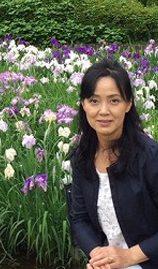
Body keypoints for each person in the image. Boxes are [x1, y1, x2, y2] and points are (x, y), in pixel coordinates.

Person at [70, 59, 158, 269]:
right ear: (83, 104)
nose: (103, 111)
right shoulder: (82, 157)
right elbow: (79, 220)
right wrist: (98, 255)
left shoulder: (150, 157)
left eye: (114, 101)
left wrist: (128, 257)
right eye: (94, 101)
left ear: (128, 104)